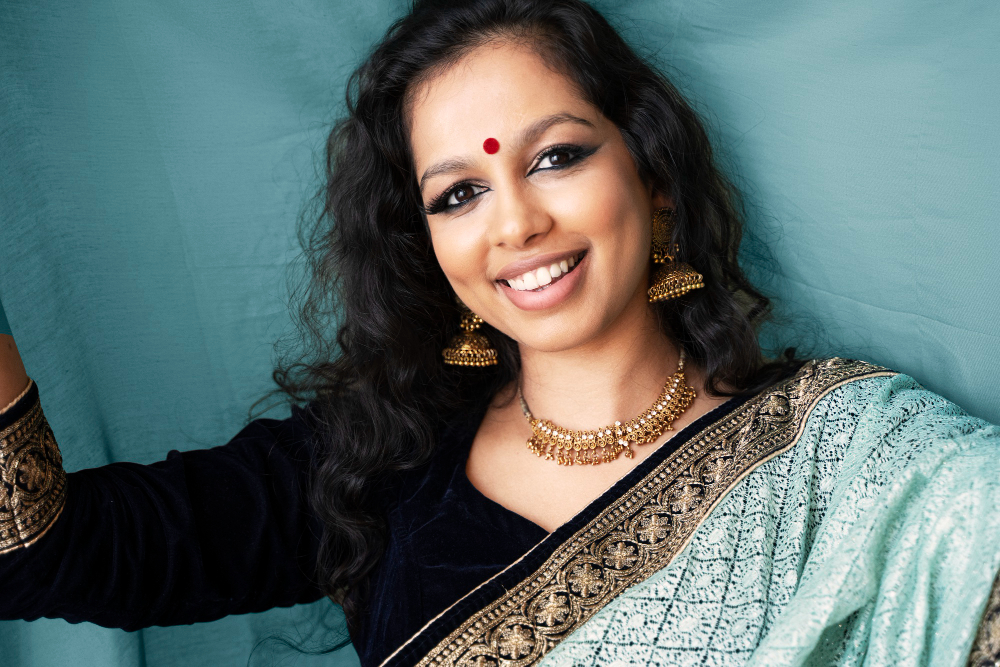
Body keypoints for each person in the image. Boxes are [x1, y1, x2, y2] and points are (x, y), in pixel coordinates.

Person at [1, 0, 998, 665]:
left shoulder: (847, 453)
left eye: (556, 157)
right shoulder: (377, 464)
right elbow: (43, 547)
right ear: (427, 242)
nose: (515, 224)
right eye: (459, 193)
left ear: (652, 177)